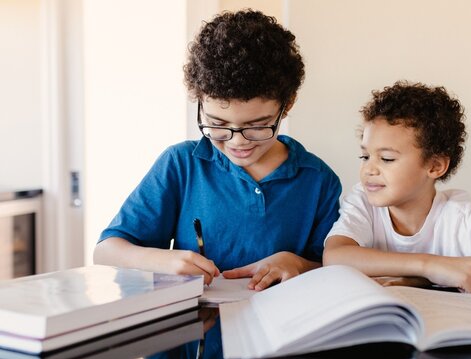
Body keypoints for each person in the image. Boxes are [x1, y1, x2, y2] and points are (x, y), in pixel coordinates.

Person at [94, 10, 341, 291]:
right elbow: (105, 252)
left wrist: (298, 264)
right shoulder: (181, 165)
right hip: (195, 332)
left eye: (257, 126)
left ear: (289, 104)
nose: (237, 142)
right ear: (199, 101)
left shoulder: (318, 180)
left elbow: (334, 267)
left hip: (282, 331)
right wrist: (163, 260)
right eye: (217, 124)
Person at [323, 81, 471, 293]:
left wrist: (431, 277)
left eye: (387, 159)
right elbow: (335, 256)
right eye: (364, 156)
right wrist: (429, 266)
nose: (368, 170)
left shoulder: (461, 216)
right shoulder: (363, 200)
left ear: (435, 166)